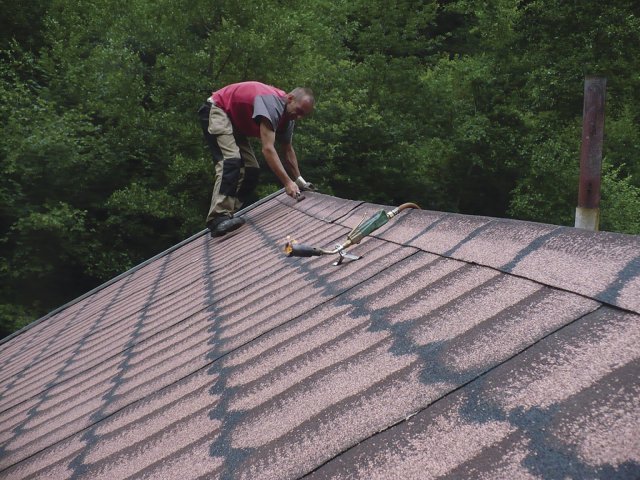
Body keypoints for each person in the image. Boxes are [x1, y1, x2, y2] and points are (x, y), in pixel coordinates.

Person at [198, 81, 316, 237]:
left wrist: (300, 181)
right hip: (217, 110)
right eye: (299, 111)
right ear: (290, 98)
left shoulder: (287, 120)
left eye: (303, 115)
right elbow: (268, 149)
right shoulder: (272, 105)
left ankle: (228, 212)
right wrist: (287, 182)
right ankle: (217, 218)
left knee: (251, 170)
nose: (299, 117)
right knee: (231, 161)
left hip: (233, 123)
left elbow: (287, 150)